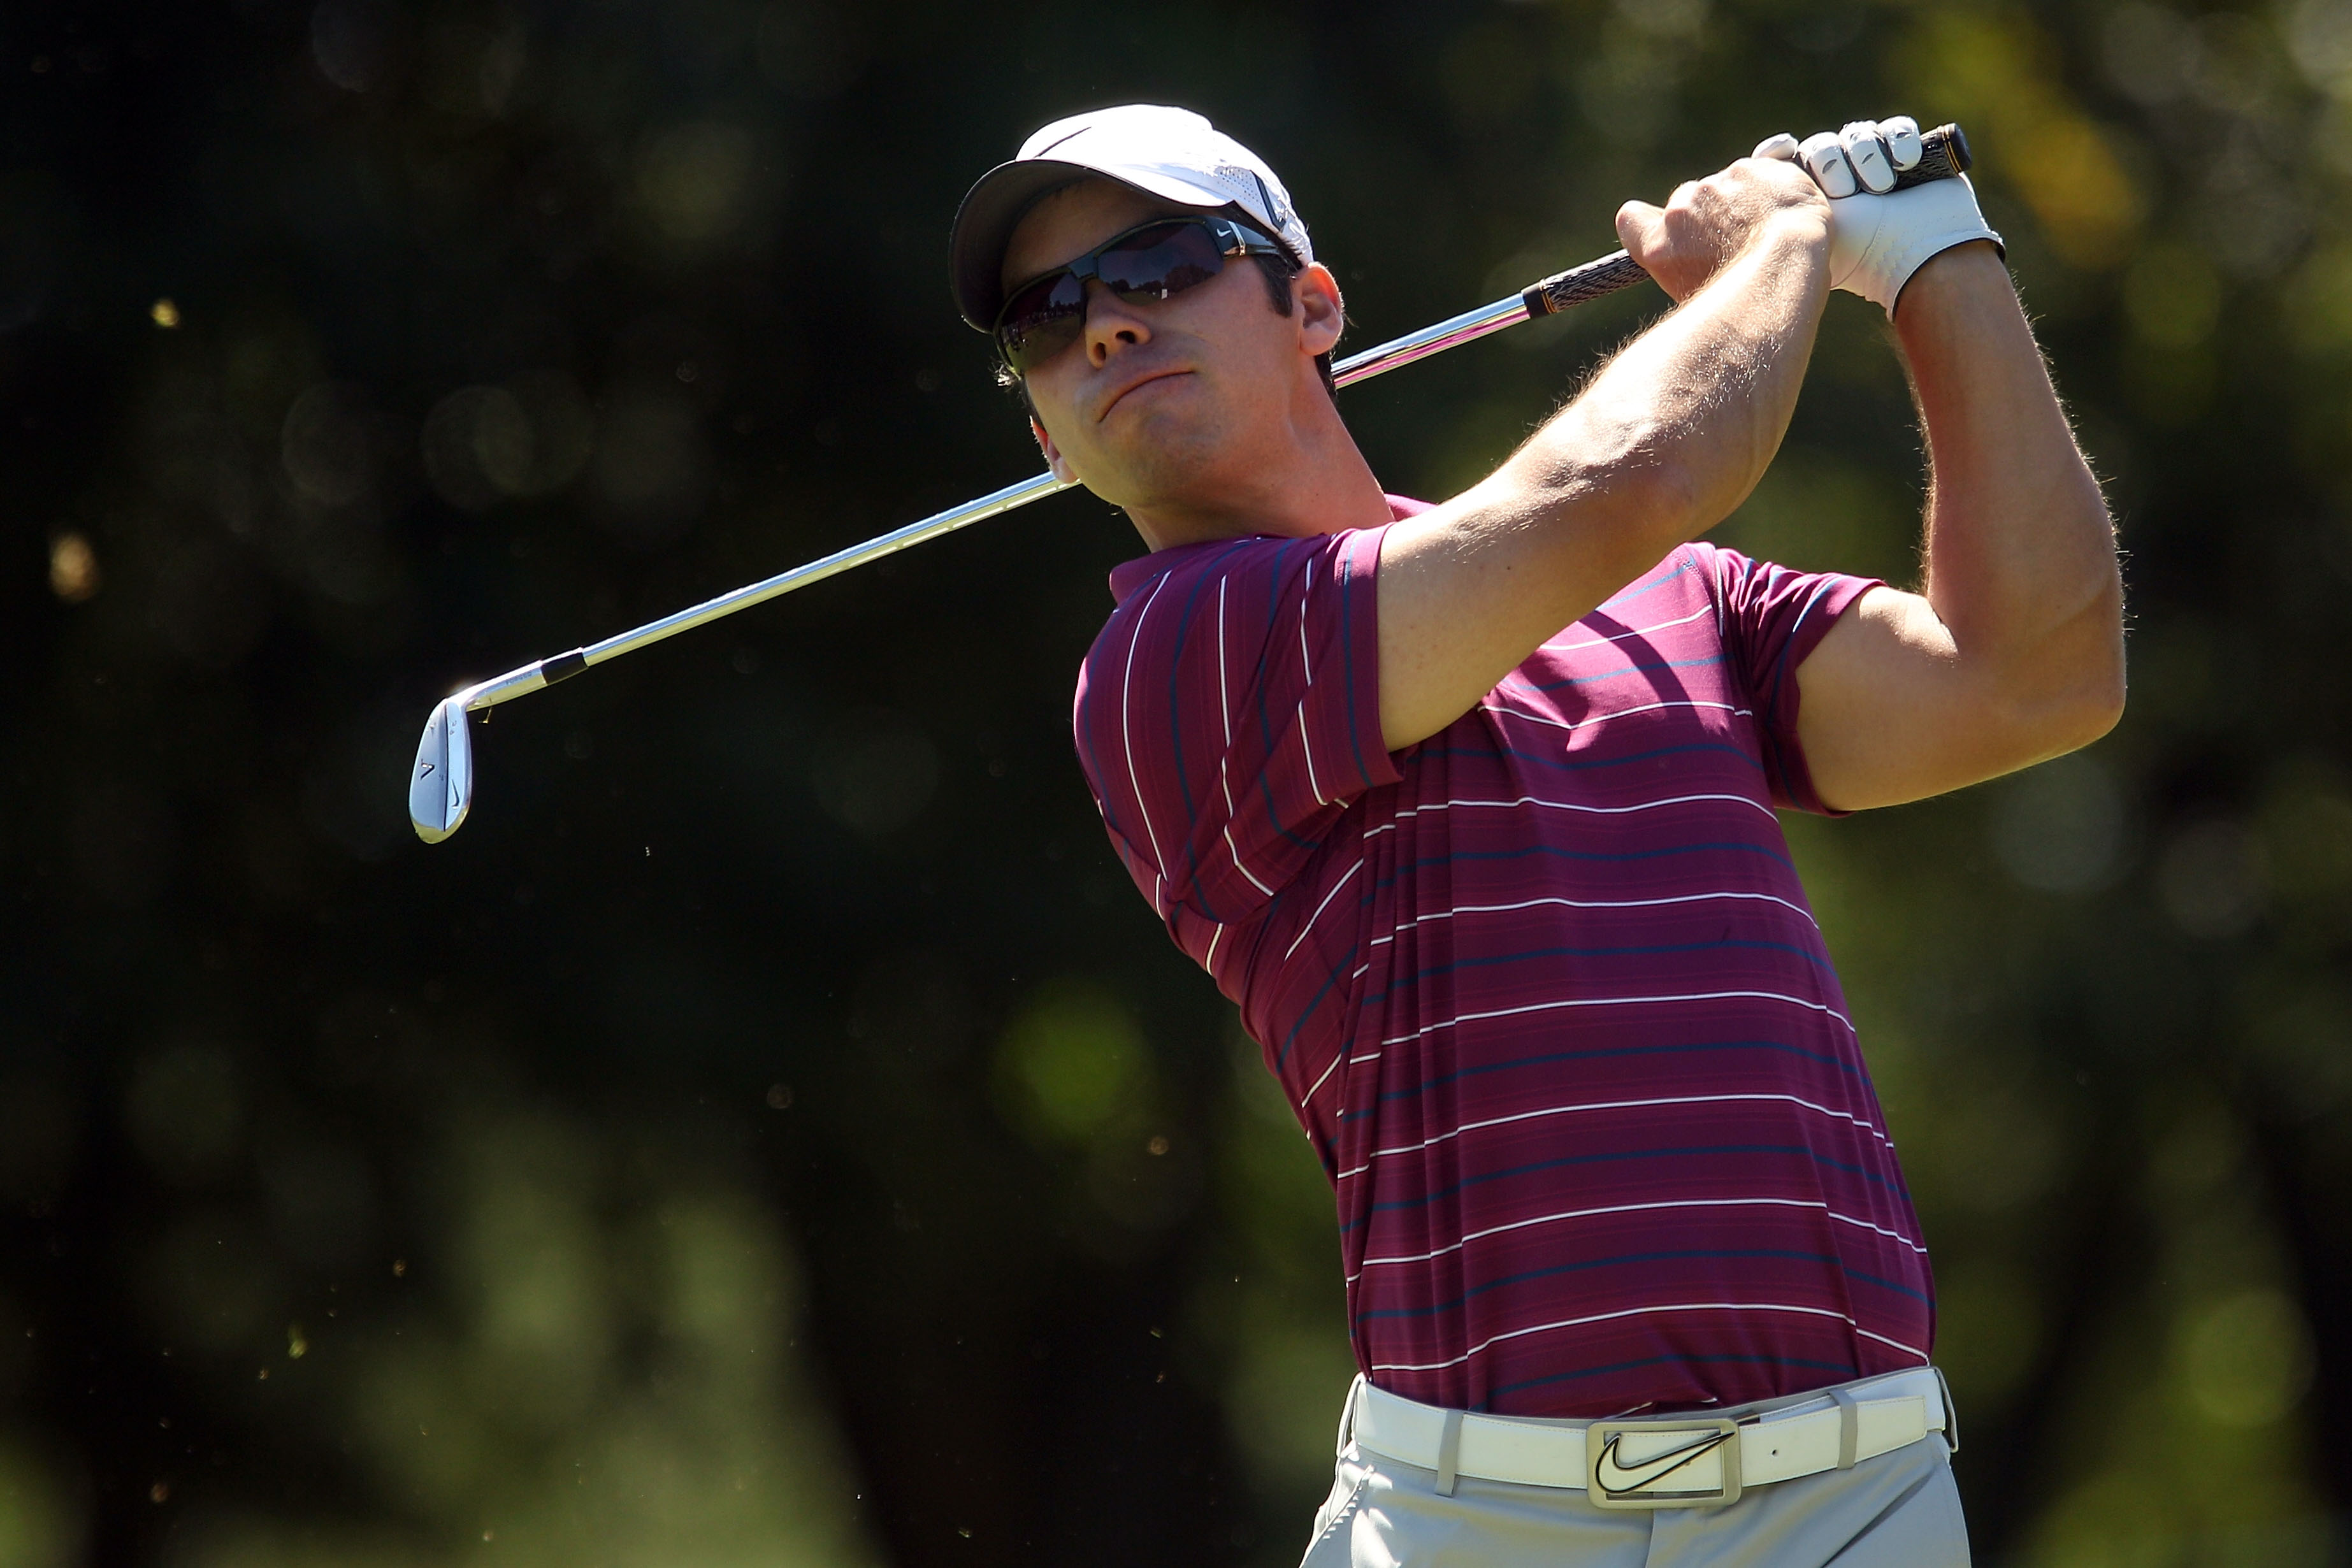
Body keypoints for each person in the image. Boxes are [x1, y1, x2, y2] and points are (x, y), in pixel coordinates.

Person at [948, 104, 2120, 1567]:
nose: (1107, 328)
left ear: (1311, 306)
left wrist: (1939, 260)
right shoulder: (1173, 658)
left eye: (1161, 266)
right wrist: (1792, 242)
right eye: (1046, 323)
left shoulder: (1677, 602)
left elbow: (2035, 676)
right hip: (1481, 1519)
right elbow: (1621, 484)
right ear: (1045, 435)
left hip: (1851, 1498)